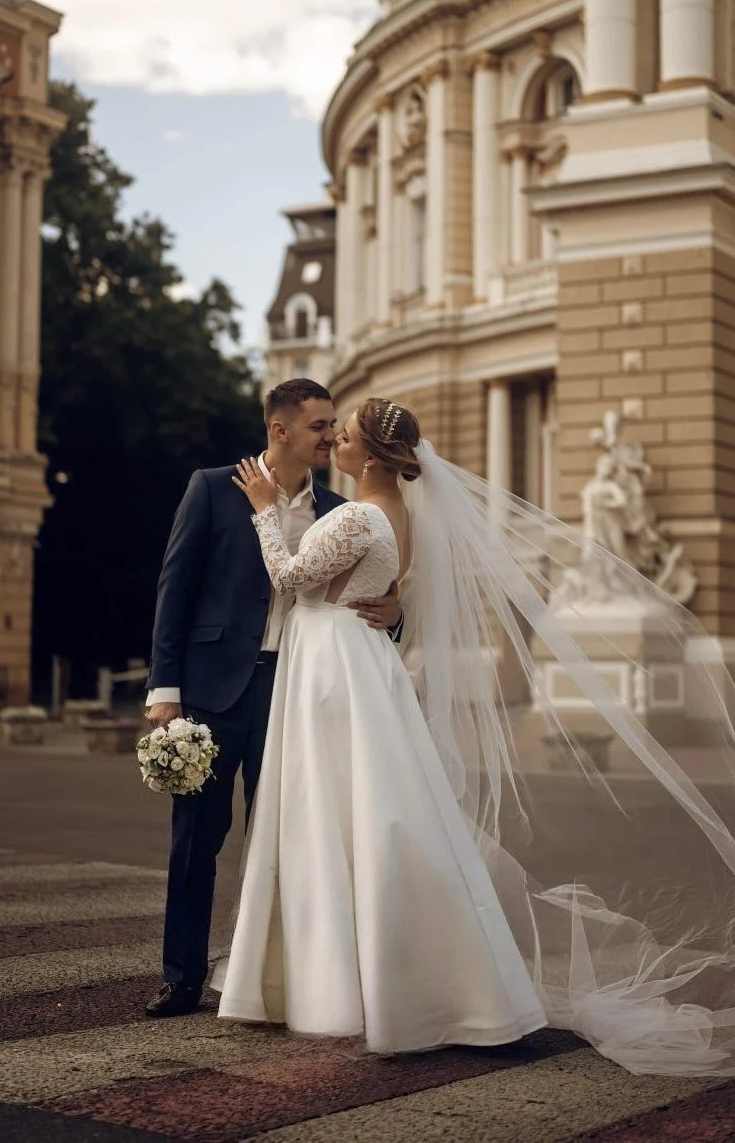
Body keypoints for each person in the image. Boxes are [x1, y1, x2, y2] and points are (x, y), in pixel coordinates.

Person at [214, 397, 735, 1074]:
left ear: (369, 455)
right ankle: (375, 974)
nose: (334, 443)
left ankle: (343, 987)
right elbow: (381, 588)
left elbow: (288, 578)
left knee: (335, 815)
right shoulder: (398, 516)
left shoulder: (359, 513)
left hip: (332, 671)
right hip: (354, 663)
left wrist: (261, 507)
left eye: (342, 435)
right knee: (372, 815)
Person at [144, 380, 402, 1019]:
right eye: (319, 426)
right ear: (279, 429)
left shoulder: (340, 509)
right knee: (196, 840)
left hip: (299, 689)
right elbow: (174, 593)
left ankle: (279, 982)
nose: (329, 436)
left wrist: (392, 613)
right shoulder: (211, 488)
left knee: (292, 839)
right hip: (212, 690)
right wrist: (165, 692)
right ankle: (180, 977)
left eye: (334, 426)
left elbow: (366, 599)